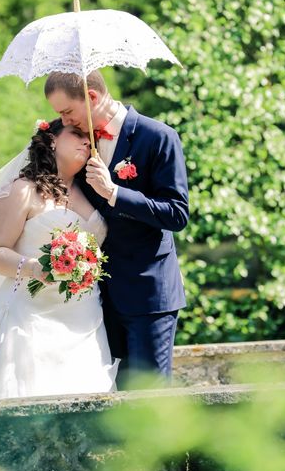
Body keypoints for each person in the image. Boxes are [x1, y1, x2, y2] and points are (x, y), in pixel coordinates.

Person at [0, 118, 117, 400]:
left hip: (84, 316)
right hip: (30, 315)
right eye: (76, 134)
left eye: (89, 137)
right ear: (52, 140)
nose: (87, 141)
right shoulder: (23, 190)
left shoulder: (90, 190)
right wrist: (37, 268)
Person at [45, 70, 189, 388]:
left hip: (148, 295)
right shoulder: (79, 145)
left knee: (148, 402)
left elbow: (177, 214)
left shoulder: (158, 137)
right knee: (109, 403)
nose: (65, 121)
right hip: (95, 300)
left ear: (92, 97)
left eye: (67, 111)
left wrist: (115, 193)